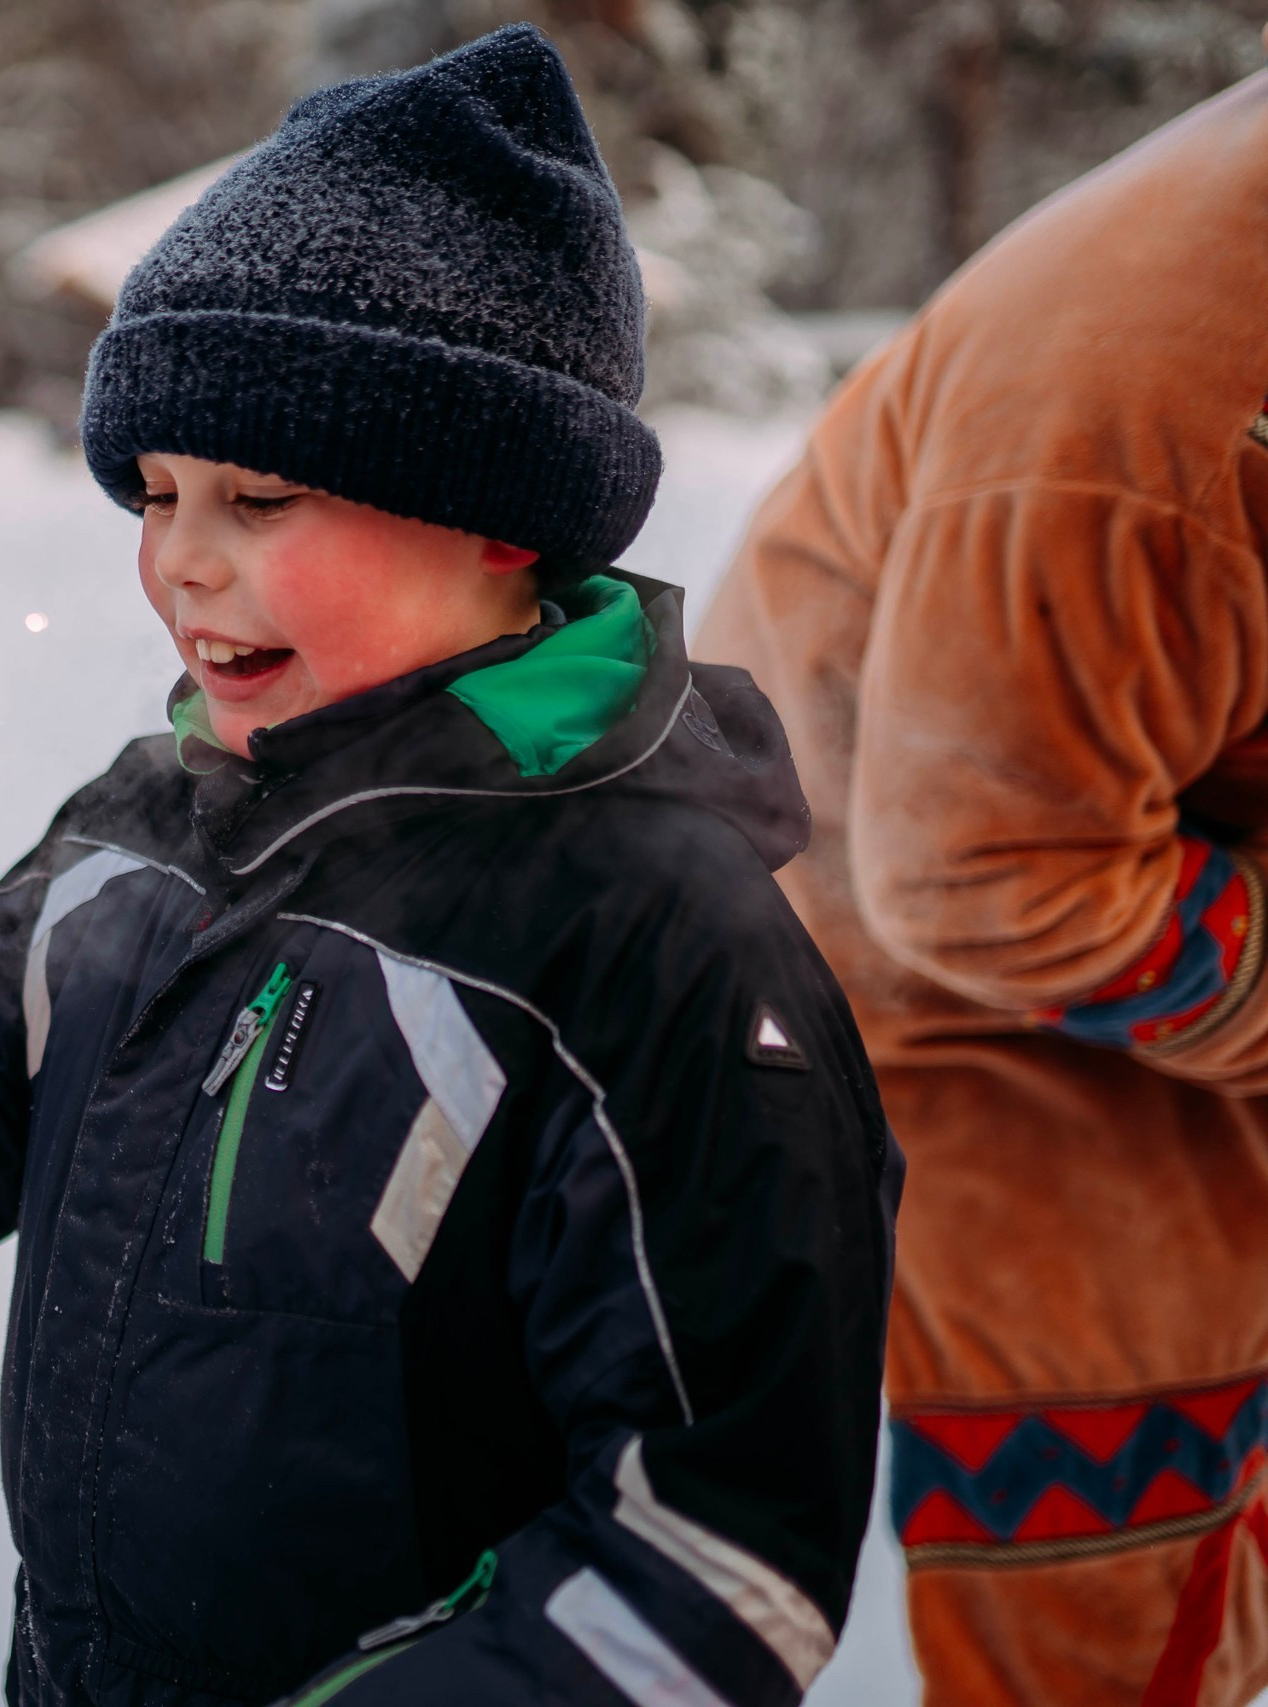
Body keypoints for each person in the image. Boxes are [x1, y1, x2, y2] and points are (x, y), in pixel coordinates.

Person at [0, 27, 897, 1706]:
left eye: (261, 495)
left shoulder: (651, 938)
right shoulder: (141, 826)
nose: (180, 563)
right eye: (154, 493)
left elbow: (709, 1562)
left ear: (502, 513)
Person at [695, 58, 1268, 1707]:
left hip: (1136, 868)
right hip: (957, 992)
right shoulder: (1156, 406)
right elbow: (986, 878)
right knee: (1124, 1573)